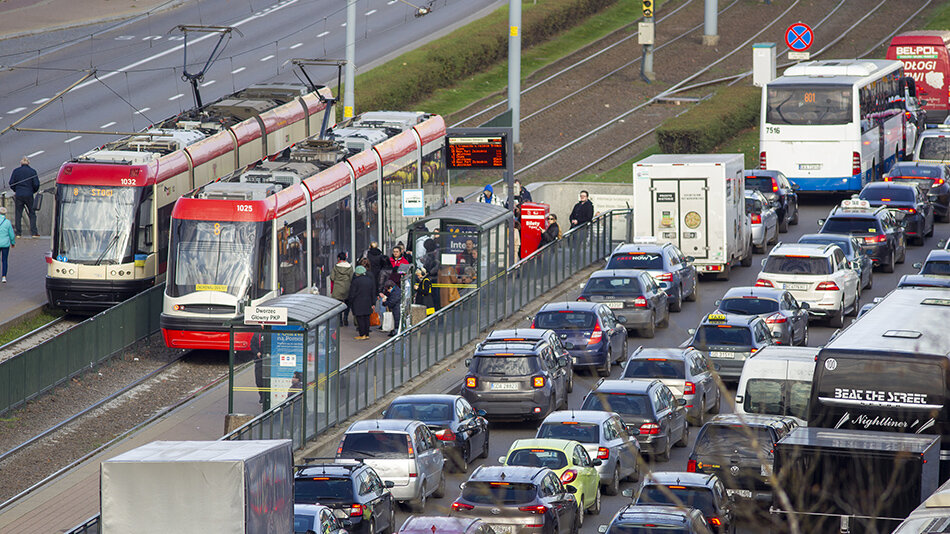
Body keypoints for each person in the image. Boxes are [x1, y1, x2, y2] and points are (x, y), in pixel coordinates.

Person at [8, 157, 40, 237]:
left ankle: (18, 233)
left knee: (18, 214)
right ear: (28, 163)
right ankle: (33, 232)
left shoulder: (16, 171)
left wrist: (16, 190)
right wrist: (33, 191)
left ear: (21, 163)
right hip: (29, 194)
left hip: (19, 194)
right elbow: (36, 184)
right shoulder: (32, 171)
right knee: (32, 213)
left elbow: (11, 183)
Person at [348, 265, 376, 340]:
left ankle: (362, 334)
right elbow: (373, 292)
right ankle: (367, 334)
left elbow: (352, 293)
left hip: (358, 302)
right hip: (368, 302)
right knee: (366, 318)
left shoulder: (355, 281)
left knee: (360, 319)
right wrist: (373, 303)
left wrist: (350, 301)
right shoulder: (369, 280)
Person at [329, 252, 353, 326]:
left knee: (338, 305)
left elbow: (332, 277)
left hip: (337, 288)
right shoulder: (349, 267)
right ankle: (345, 318)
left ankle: (339, 321)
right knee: (347, 304)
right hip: (347, 288)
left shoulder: (336, 267)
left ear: (339, 258)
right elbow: (352, 278)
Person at [0, 207, 14, 283]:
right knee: (4, 260)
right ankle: (4, 277)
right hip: (5, 244)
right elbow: (11, 234)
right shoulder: (7, 222)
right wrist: (13, 242)